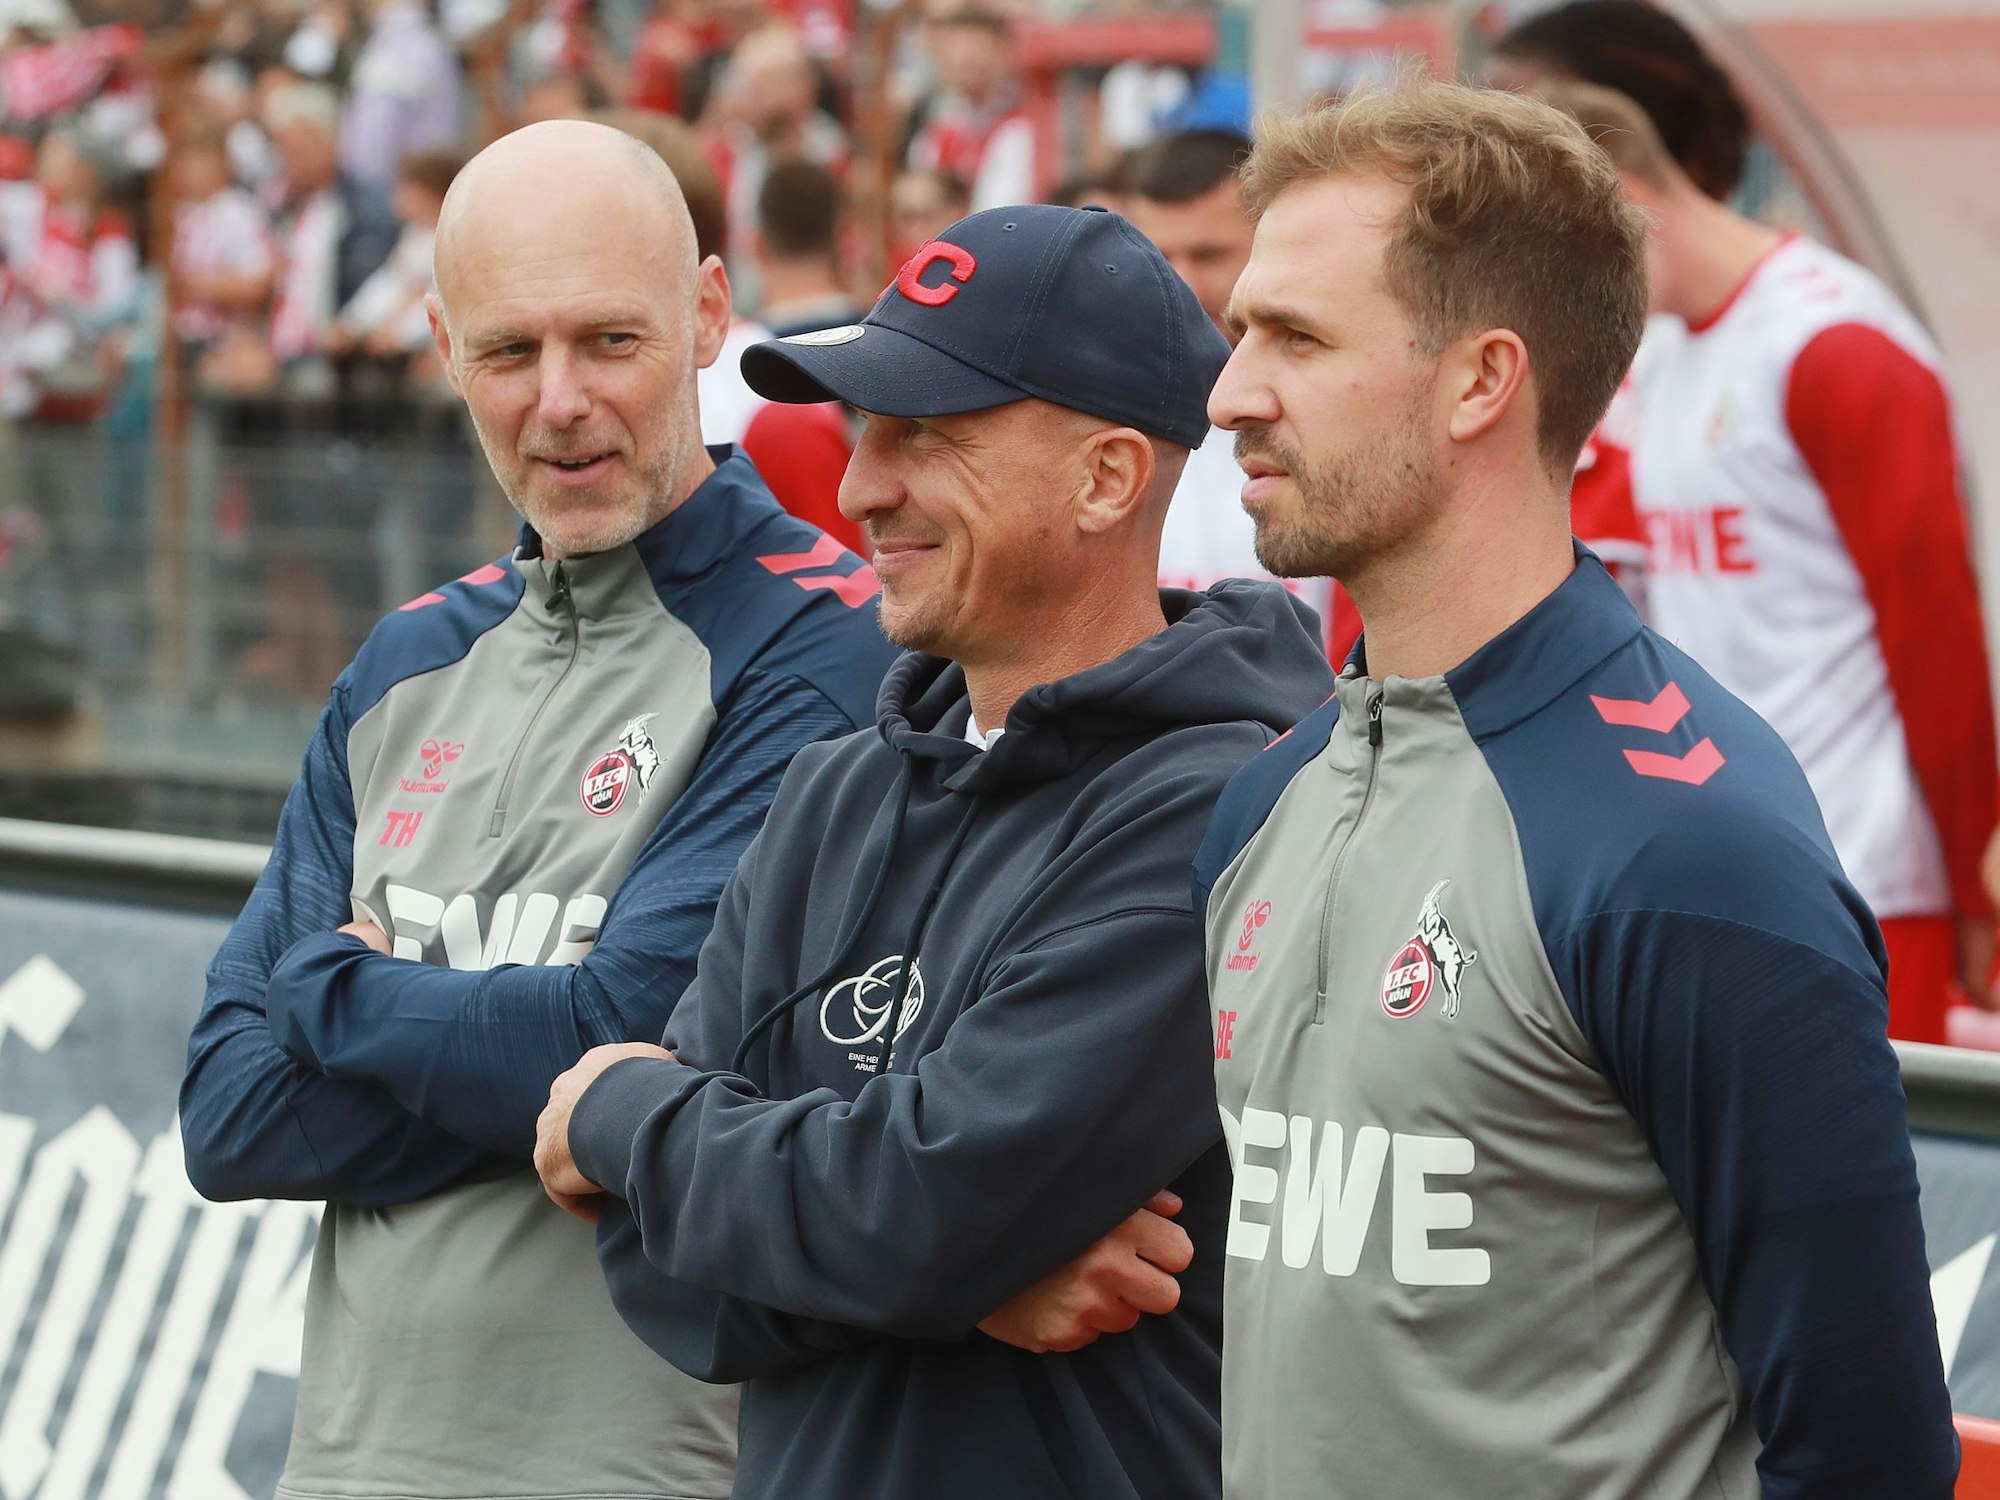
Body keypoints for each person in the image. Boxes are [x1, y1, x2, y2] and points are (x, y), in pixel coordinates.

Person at [1191, 83, 1955, 1498]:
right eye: (1243, 331)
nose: (1231, 390)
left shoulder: (1688, 842)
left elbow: (1871, 1446)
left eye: (1294, 336)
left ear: (1483, 380)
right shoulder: (1267, 803)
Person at [531, 203, 1336, 1499]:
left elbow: (917, 1206)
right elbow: (659, 1279)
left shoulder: (1220, 806)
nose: (861, 487)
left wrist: (626, 1115)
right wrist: (954, 1285)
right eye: (864, 433)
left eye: (928, 437)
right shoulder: (836, 786)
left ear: (1109, 477)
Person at [179, 119, 896, 1500]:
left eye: (608, 343)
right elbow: (226, 1114)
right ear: (445, 349)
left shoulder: (830, 648)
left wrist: (335, 992)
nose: (559, 400)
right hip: (346, 1470)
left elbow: (632, 1028)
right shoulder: (402, 663)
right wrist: (541, 1055)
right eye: (510, 352)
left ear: (704, 316)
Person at [1542, 81, 1997, 1046]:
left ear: (1619, 197)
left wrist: (1974, 893)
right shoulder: (1659, 356)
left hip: (1862, 881)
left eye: (1544, 252)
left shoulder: (1835, 344)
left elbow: (1937, 641)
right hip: (1709, 867)